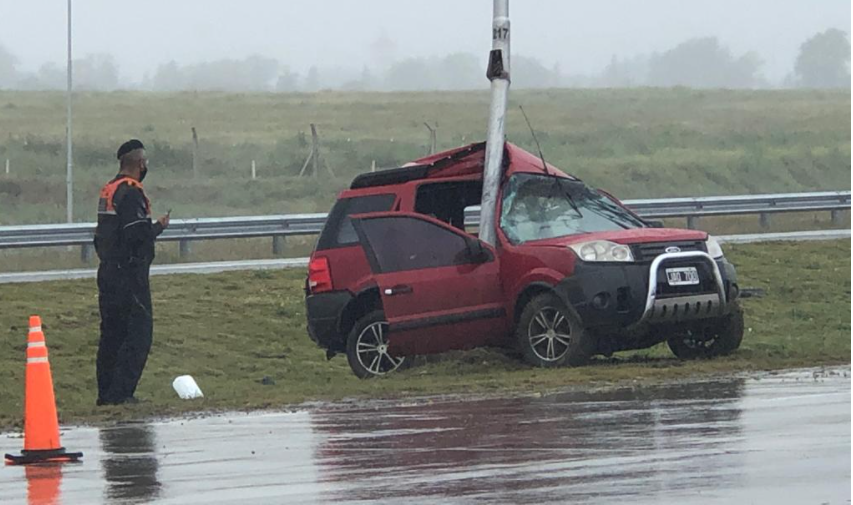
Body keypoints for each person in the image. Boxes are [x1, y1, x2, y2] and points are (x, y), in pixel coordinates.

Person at [93, 139, 170, 406]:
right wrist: (158, 228)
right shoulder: (130, 191)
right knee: (138, 334)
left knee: (111, 335)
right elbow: (136, 234)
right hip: (129, 274)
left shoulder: (109, 190)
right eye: (145, 163)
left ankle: (106, 394)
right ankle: (122, 394)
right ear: (139, 163)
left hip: (107, 271)